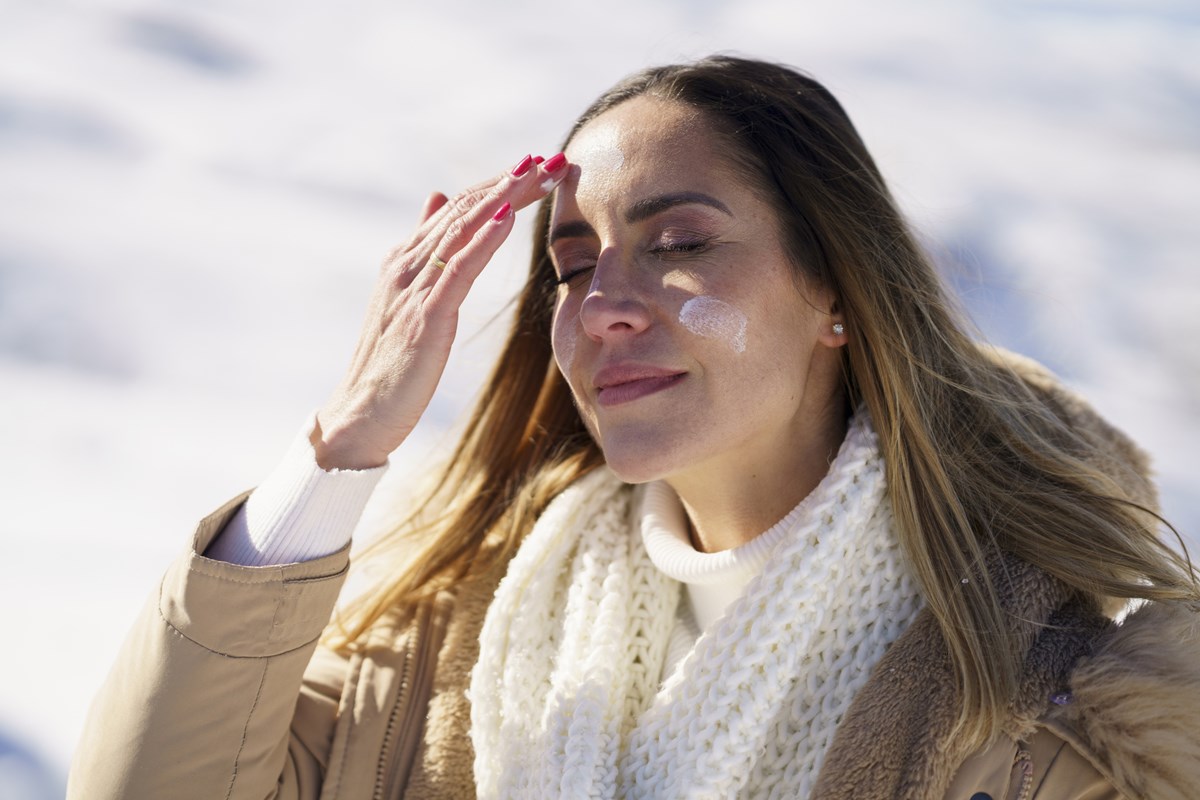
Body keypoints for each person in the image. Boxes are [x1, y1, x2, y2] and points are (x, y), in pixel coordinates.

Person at [70, 55, 1200, 799]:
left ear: (838, 292)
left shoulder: (1047, 716)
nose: (604, 300)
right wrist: (343, 448)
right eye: (570, 262)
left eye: (681, 243)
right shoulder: (444, 646)